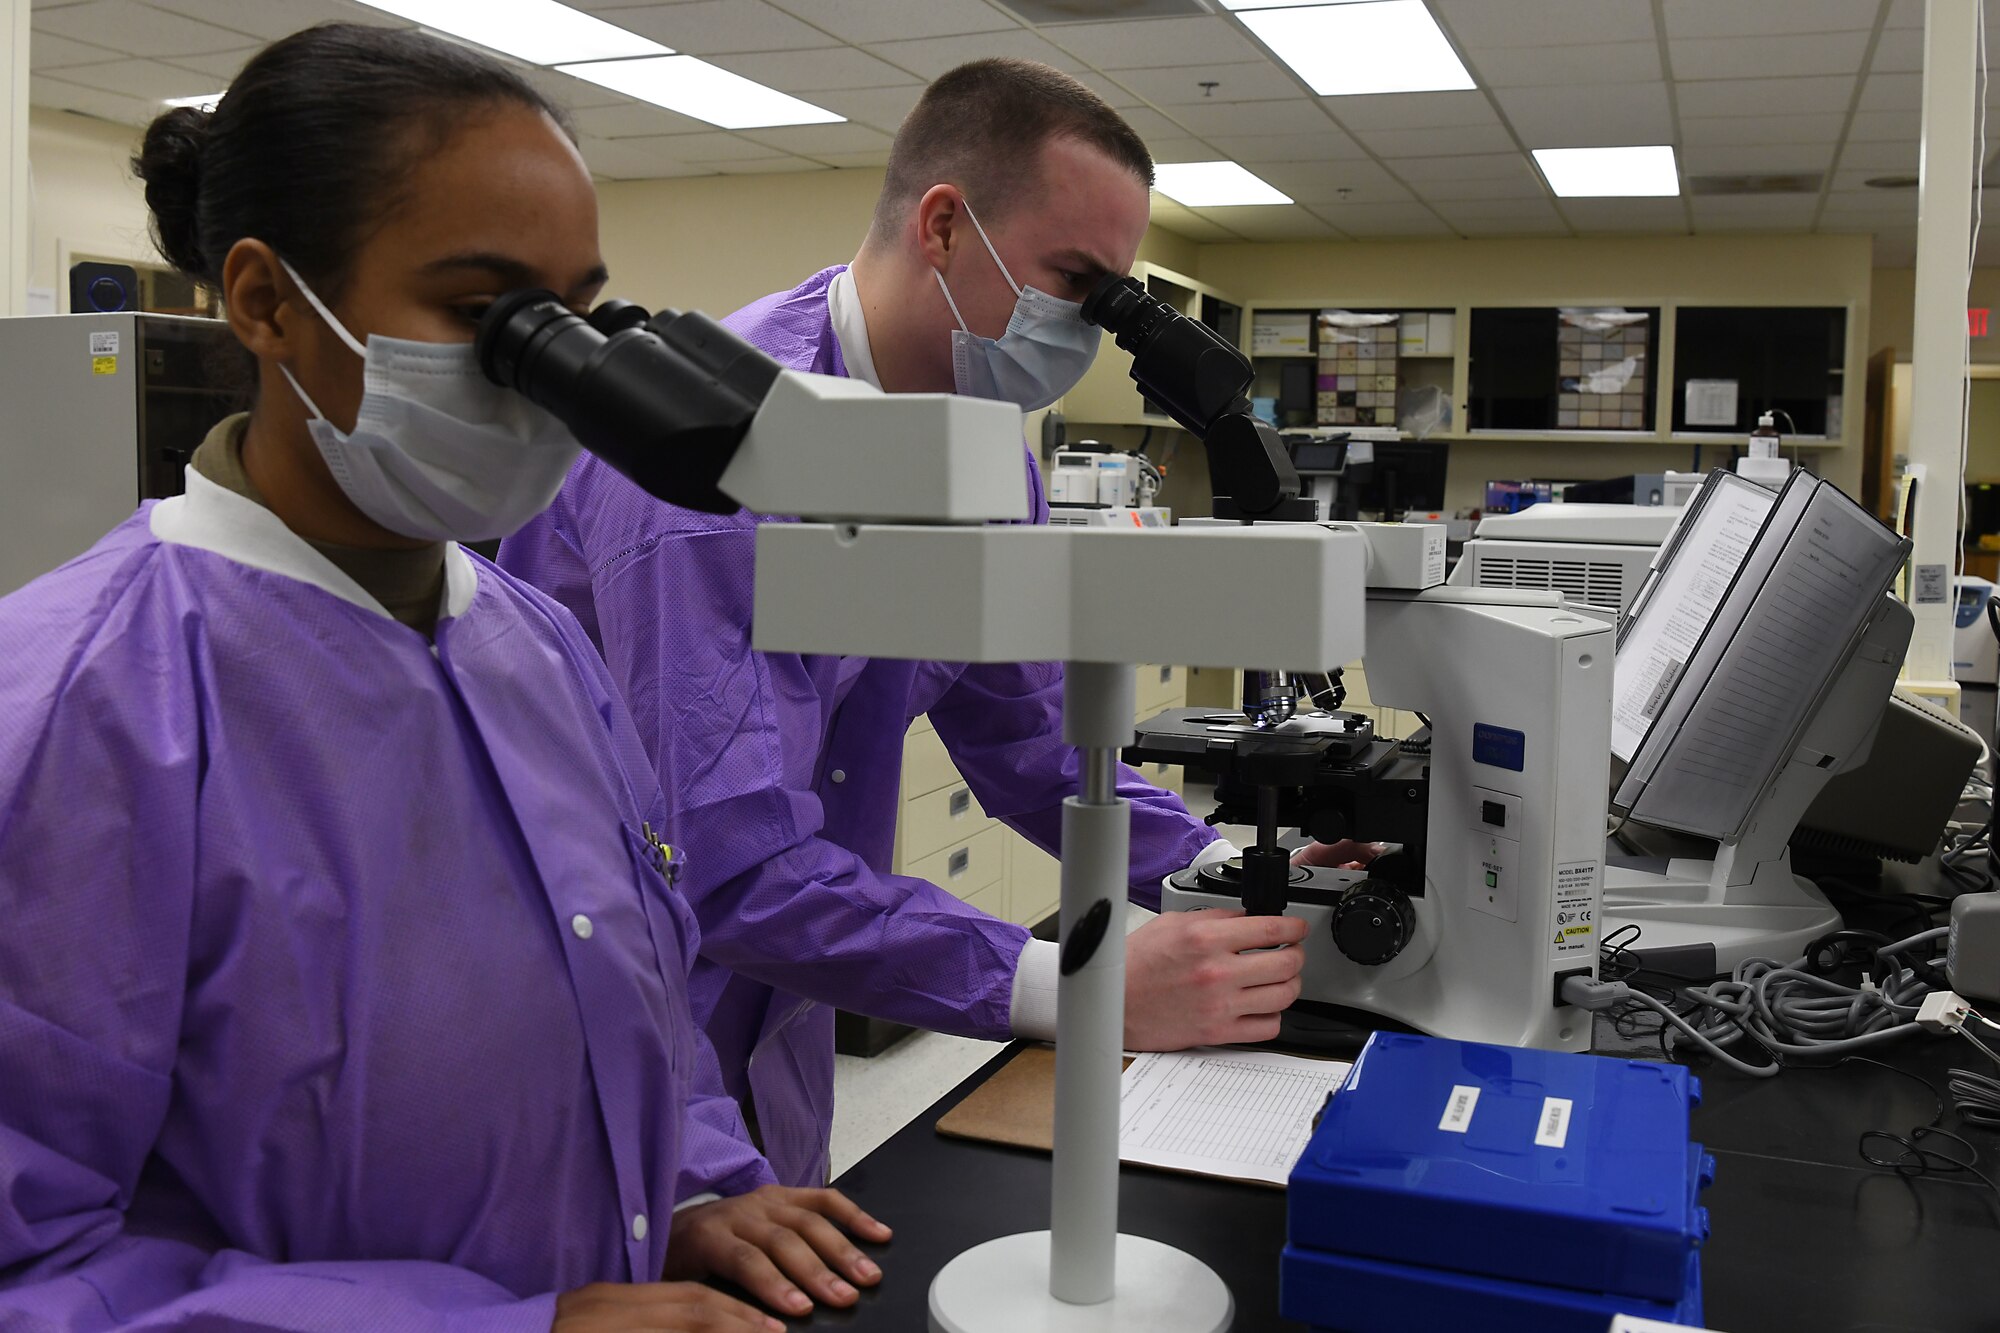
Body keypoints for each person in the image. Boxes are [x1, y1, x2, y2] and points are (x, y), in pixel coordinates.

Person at [0, 25, 890, 1332]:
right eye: (486, 314)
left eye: (574, 319)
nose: (550, 377)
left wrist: (691, 1181)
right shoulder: (82, 707)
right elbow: (31, 1270)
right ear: (266, 302)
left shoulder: (537, 643)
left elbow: (627, 994)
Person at [502, 58, 1361, 1191]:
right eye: (1075, 282)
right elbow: (726, 864)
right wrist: (1069, 984)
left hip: (788, 1006)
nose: (1088, 333)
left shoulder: (981, 443)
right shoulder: (709, 460)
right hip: (611, 1009)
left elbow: (1028, 734)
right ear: (946, 227)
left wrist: (1214, 866)